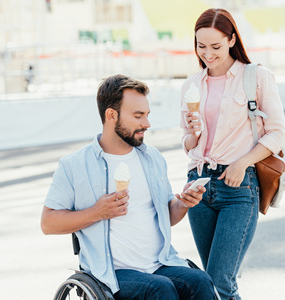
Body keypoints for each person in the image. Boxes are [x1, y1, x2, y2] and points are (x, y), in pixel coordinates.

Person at [41, 74, 216, 300]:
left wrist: (182, 204)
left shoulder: (152, 158)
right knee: (159, 289)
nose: (147, 123)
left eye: (147, 115)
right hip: (111, 274)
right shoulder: (74, 165)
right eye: (138, 116)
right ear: (111, 115)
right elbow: (48, 223)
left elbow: (167, 217)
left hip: (160, 263)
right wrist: (98, 212)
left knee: (200, 281)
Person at [180, 8, 285, 300]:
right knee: (211, 284)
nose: (207, 54)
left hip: (239, 186)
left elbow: (278, 132)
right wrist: (193, 133)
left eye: (215, 46)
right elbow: (189, 145)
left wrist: (242, 163)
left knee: (220, 282)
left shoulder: (257, 77)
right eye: (201, 46)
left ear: (231, 39)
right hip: (198, 185)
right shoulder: (192, 84)